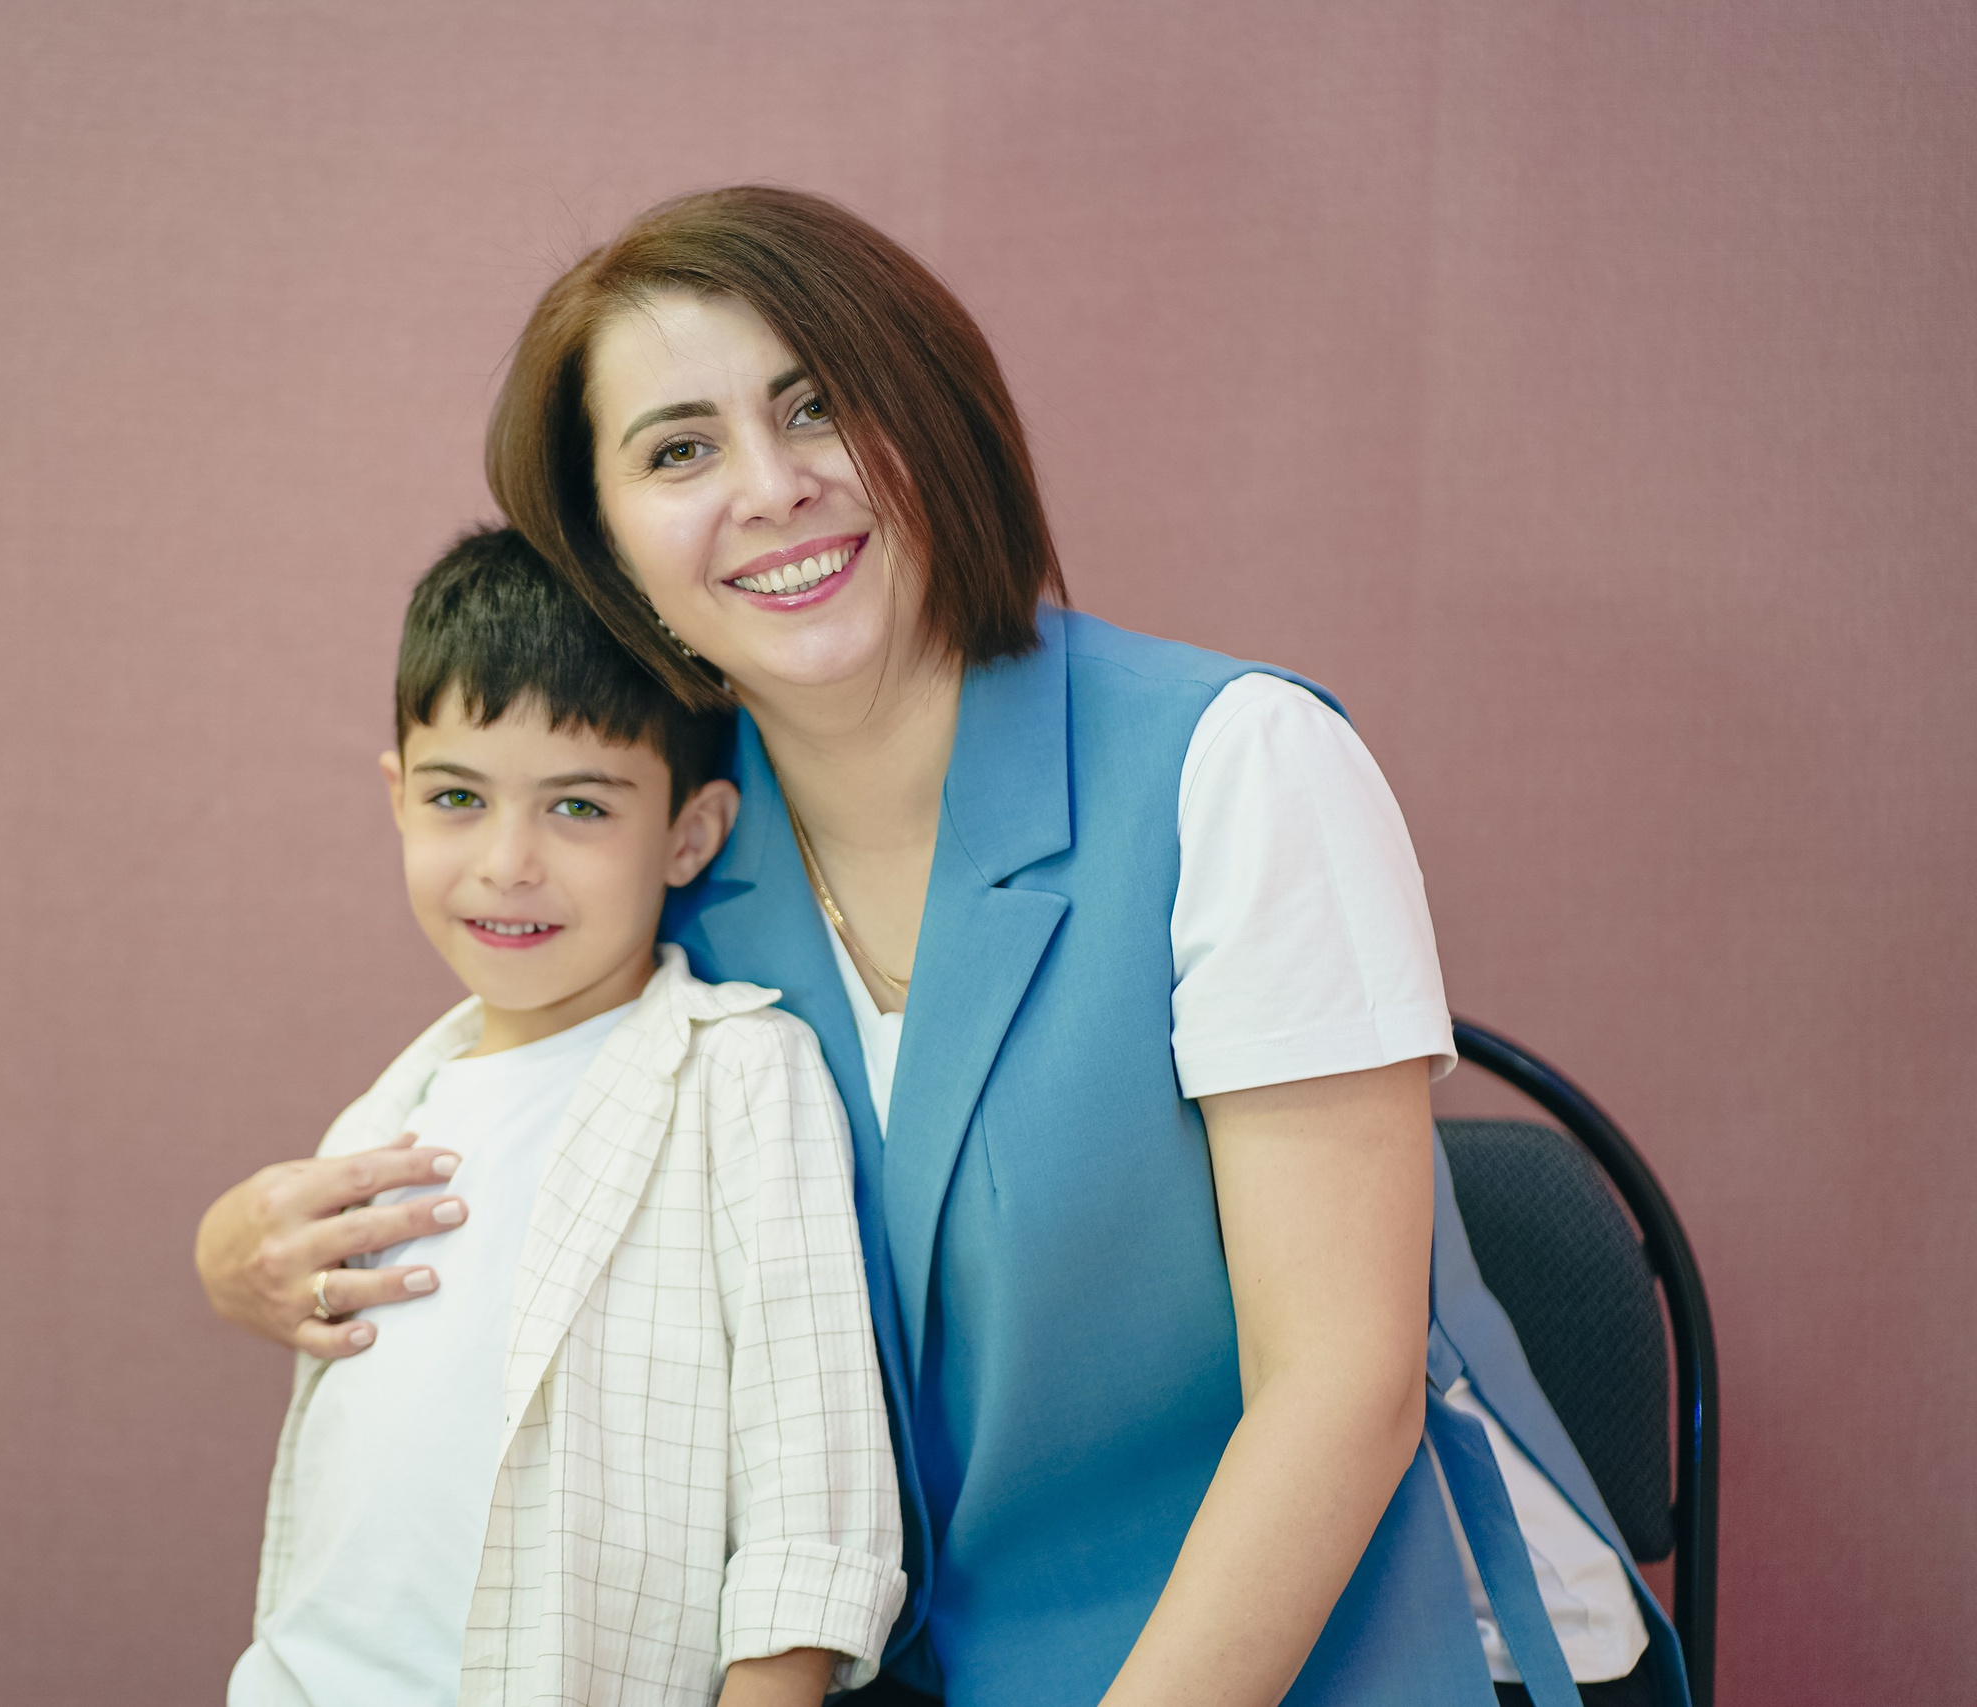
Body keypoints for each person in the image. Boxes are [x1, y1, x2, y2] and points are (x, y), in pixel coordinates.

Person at [199, 189, 1686, 1707]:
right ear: (607, 548)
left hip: (1367, 1640)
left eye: (817, 407)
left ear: (936, 422)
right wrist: (245, 1250)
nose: (770, 487)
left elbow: (1339, 1395)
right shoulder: (665, 848)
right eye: (679, 450)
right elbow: (526, 1174)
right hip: (948, 1663)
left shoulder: (1237, 766)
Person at [224, 527, 904, 1707]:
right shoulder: (384, 1116)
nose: (507, 862)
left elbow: (812, 1494)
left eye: (579, 807)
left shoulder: (738, 1076)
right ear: (397, 797)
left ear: (689, 833)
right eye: (456, 797)